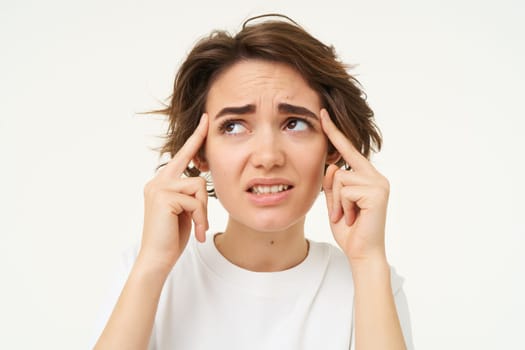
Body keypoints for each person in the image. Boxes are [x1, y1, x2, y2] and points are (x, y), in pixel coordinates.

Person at [93, 14, 413, 350]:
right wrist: (152, 267)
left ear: (331, 147)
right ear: (199, 153)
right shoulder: (145, 271)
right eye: (233, 126)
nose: (267, 156)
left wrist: (367, 262)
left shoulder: (372, 283)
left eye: (294, 123)